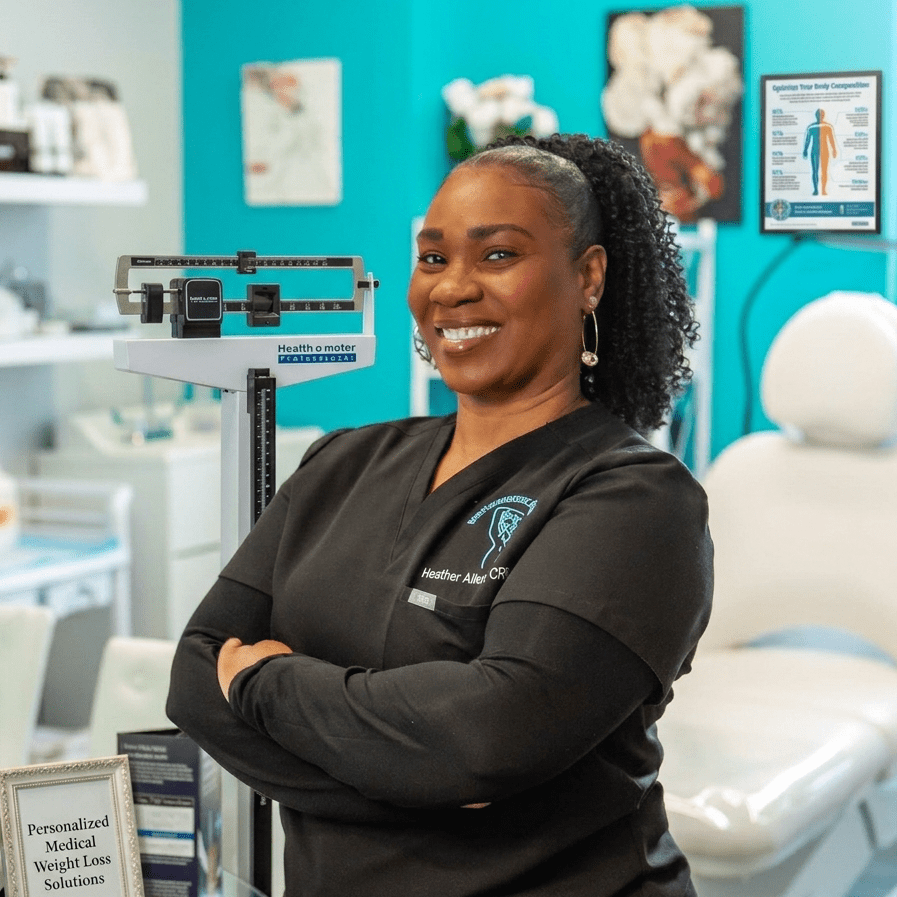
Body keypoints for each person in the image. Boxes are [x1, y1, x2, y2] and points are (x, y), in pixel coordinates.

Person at [167, 132, 713, 896]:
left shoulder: (634, 498)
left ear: (587, 276)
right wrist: (424, 780)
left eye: (497, 255)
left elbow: (486, 738)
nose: (453, 287)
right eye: (432, 258)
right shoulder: (342, 462)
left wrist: (264, 685)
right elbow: (195, 677)